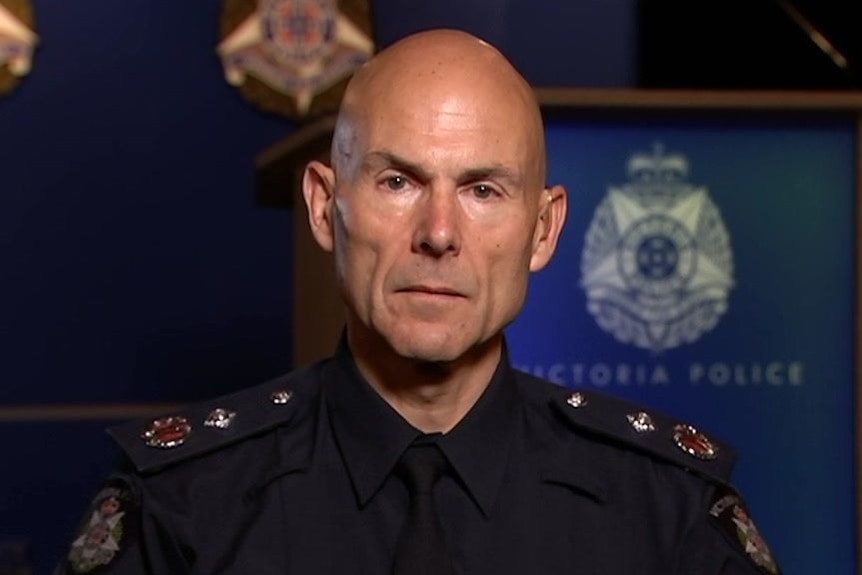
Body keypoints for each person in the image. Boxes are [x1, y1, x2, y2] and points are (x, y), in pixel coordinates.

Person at [57, 29, 781, 574]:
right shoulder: (181, 508)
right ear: (323, 206)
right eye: (398, 181)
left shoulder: (668, 511)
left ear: (543, 229)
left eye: (483, 190)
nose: (439, 234)